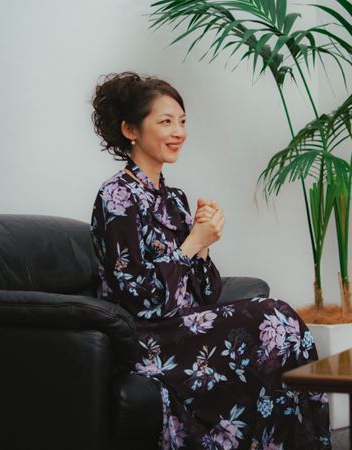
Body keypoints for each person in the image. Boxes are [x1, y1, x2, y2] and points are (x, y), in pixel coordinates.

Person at [89, 71, 331, 449]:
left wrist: (203, 247)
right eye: (166, 122)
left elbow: (205, 294)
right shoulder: (117, 196)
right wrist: (191, 244)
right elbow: (140, 297)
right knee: (272, 316)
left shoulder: (175, 199)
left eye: (182, 122)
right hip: (146, 335)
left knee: (285, 325)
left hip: (184, 326)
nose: (178, 132)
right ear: (130, 130)